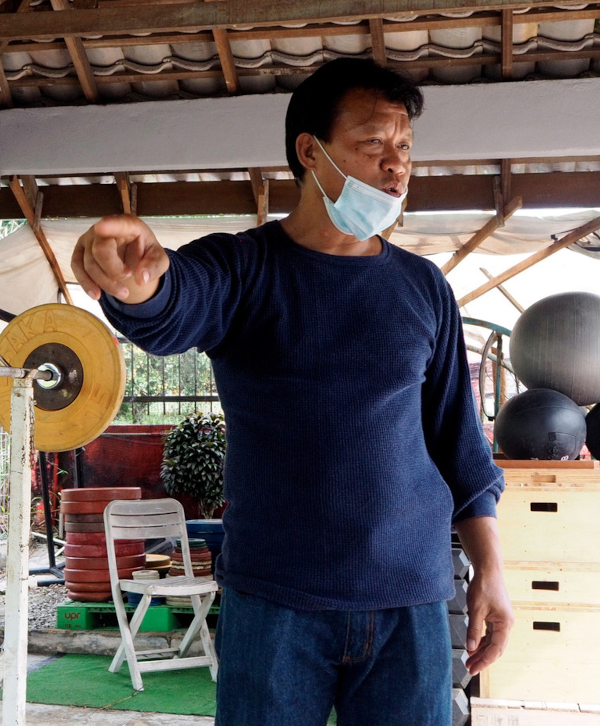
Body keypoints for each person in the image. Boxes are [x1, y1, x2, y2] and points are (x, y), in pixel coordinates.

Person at [72, 58, 513, 726]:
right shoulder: (245, 269)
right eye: (372, 145)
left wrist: (490, 570)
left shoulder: (423, 287)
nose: (396, 167)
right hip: (275, 601)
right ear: (310, 151)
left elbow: (459, 445)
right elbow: (177, 302)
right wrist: (139, 289)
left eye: (404, 148)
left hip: (410, 598)